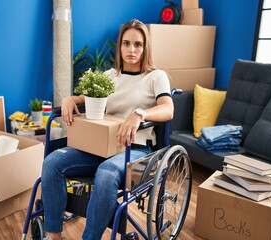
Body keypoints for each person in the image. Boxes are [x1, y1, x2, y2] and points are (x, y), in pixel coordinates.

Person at [41, 19, 174, 240]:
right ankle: (53, 234)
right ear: (119, 46)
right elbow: (84, 98)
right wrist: (69, 98)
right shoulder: (109, 77)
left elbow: (168, 109)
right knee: (52, 163)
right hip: (101, 147)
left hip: (136, 149)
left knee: (106, 173)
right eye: (126, 43)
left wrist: (140, 114)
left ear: (145, 47)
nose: (132, 49)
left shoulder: (155, 77)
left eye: (138, 44)